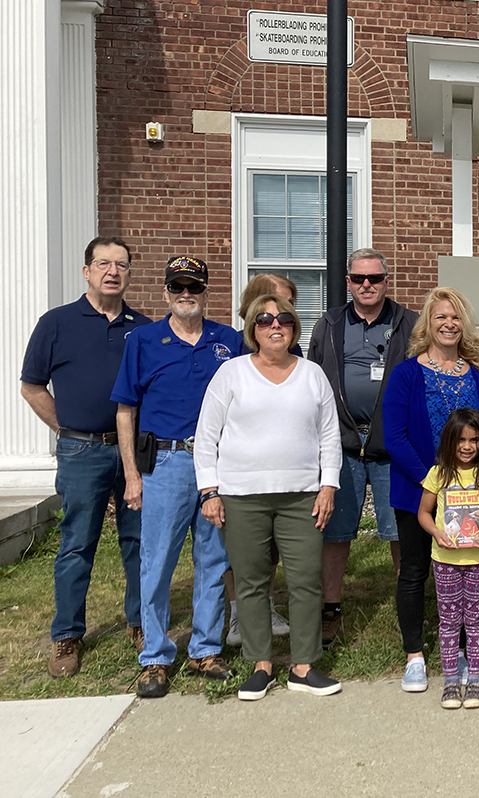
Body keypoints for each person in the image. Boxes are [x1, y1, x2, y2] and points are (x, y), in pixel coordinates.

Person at [193, 293, 343, 701]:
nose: (275, 325)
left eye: (284, 319)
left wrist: (328, 484)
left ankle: (304, 665)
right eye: (264, 320)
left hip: (301, 496)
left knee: (306, 581)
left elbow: (330, 435)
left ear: (294, 328)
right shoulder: (232, 374)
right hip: (242, 496)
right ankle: (261, 665)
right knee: (251, 582)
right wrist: (209, 490)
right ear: (253, 330)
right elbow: (206, 436)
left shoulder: (312, 374)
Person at [111, 256, 245, 698]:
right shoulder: (144, 340)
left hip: (218, 467)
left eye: (194, 287)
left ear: (206, 292)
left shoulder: (228, 340)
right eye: (177, 287)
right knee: (158, 562)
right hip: (165, 464)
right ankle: (154, 655)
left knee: (213, 558)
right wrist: (132, 473)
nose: (186, 294)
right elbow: (125, 409)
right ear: (166, 292)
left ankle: (206, 647)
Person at [20, 236, 150, 677]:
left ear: (129, 274)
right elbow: (32, 387)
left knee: (139, 541)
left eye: (121, 265)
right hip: (82, 450)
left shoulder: (145, 327)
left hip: (134, 451)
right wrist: (65, 428)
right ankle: (67, 636)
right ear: (87, 271)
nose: (113, 271)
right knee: (77, 543)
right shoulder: (56, 323)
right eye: (103, 264)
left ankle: (141, 623)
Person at [382, 286, 479, 693]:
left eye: (456, 318)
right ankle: (415, 655)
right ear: (427, 325)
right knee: (415, 571)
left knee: (466, 569)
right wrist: (434, 482)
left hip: (470, 493)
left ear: (464, 325)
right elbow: (394, 436)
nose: (449, 324)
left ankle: (466, 652)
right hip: (417, 489)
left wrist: (470, 480)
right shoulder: (405, 373)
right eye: (440, 318)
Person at [308, 248, 418, 649]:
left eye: (374, 278)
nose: (366, 285)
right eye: (359, 279)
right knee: (335, 533)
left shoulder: (410, 323)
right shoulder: (329, 323)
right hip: (341, 445)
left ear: (387, 281)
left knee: (401, 531)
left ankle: (410, 607)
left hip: (395, 448)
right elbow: (313, 382)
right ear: (348, 282)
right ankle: (331, 609)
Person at [224, 272, 301, 646]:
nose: (280, 319)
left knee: (269, 551)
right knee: (237, 552)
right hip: (239, 473)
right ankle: (238, 614)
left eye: (288, 311)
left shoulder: (297, 358)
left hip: (284, 476)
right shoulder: (231, 352)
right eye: (273, 309)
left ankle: (265, 606)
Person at [417, 408, 479, 710]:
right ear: (449, 441)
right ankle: (451, 679)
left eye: (475, 440)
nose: (468, 446)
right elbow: (424, 513)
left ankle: (475, 678)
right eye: (461, 440)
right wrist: (437, 533)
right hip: (445, 559)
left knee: (475, 619)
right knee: (450, 620)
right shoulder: (438, 474)